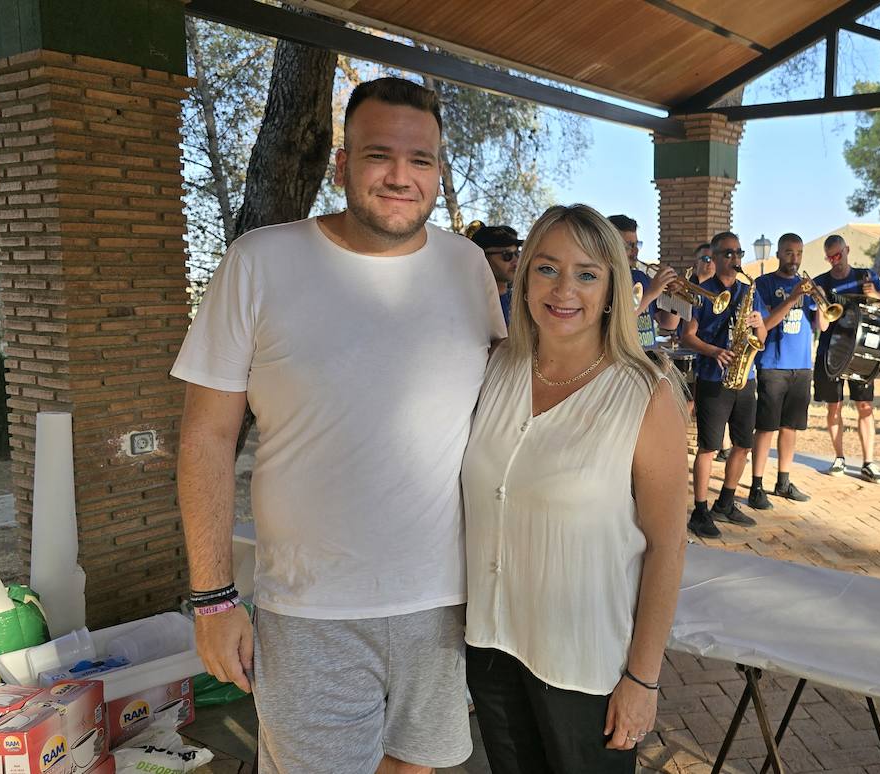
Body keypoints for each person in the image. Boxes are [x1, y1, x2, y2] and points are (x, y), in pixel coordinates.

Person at [173, 78, 504, 774]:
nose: (400, 177)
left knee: (418, 765)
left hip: (445, 601)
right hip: (309, 609)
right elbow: (205, 436)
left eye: (421, 161)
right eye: (380, 154)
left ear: (439, 173)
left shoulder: (468, 267)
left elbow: (503, 412)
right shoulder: (259, 262)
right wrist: (211, 598)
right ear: (343, 164)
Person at [462, 204, 688, 773]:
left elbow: (668, 544)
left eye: (587, 274)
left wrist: (643, 678)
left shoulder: (645, 393)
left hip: (587, 667)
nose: (565, 289)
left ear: (614, 287)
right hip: (492, 647)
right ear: (523, 276)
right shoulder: (495, 370)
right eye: (546, 268)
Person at [679, 232, 769, 537]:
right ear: (714, 257)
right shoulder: (702, 293)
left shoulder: (749, 291)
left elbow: (762, 339)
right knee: (709, 447)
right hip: (713, 378)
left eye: (738, 253)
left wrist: (760, 325)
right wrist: (714, 350)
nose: (734, 259)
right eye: (727, 254)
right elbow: (687, 336)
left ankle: (726, 502)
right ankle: (700, 511)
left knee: (744, 444)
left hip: (745, 377)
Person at [749, 233, 828, 508]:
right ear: (779, 254)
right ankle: (756, 485)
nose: (794, 259)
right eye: (789, 252)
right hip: (773, 364)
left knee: (790, 427)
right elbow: (766, 324)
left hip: (802, 364)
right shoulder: (764, 283)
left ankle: (783, 481)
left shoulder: (806, 286)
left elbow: (823, 326)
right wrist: (794, 297)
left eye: (798, 253)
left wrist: (820, 302)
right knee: (766, 427)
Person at [811, 234, 880, 482]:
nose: (835, 261)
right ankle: (839, 458)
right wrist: (819, 299)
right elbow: (822, 327)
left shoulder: (865, 276)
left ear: (847, 250)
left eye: (839, 254)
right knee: (833, 407)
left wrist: (878, 297)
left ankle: (869, 462)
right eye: (830, 257)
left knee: (865, 406)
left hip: (862, 353)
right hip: (831, 352)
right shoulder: (822, 282)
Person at [608, 214, 678, 347]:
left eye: (637, 244)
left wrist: (674, 298)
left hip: (647, 358)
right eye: (629, 245)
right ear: (610, 245)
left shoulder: (640, 277)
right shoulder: (605, 280)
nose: (635, 251)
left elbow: (668, 323)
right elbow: (619, 321)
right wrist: (652, 292)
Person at [470, 223, 522, 325]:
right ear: (483, 258)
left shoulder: (517, 300)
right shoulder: (472, 306)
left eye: (517, 253)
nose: (516, 260)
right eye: (507, 255)